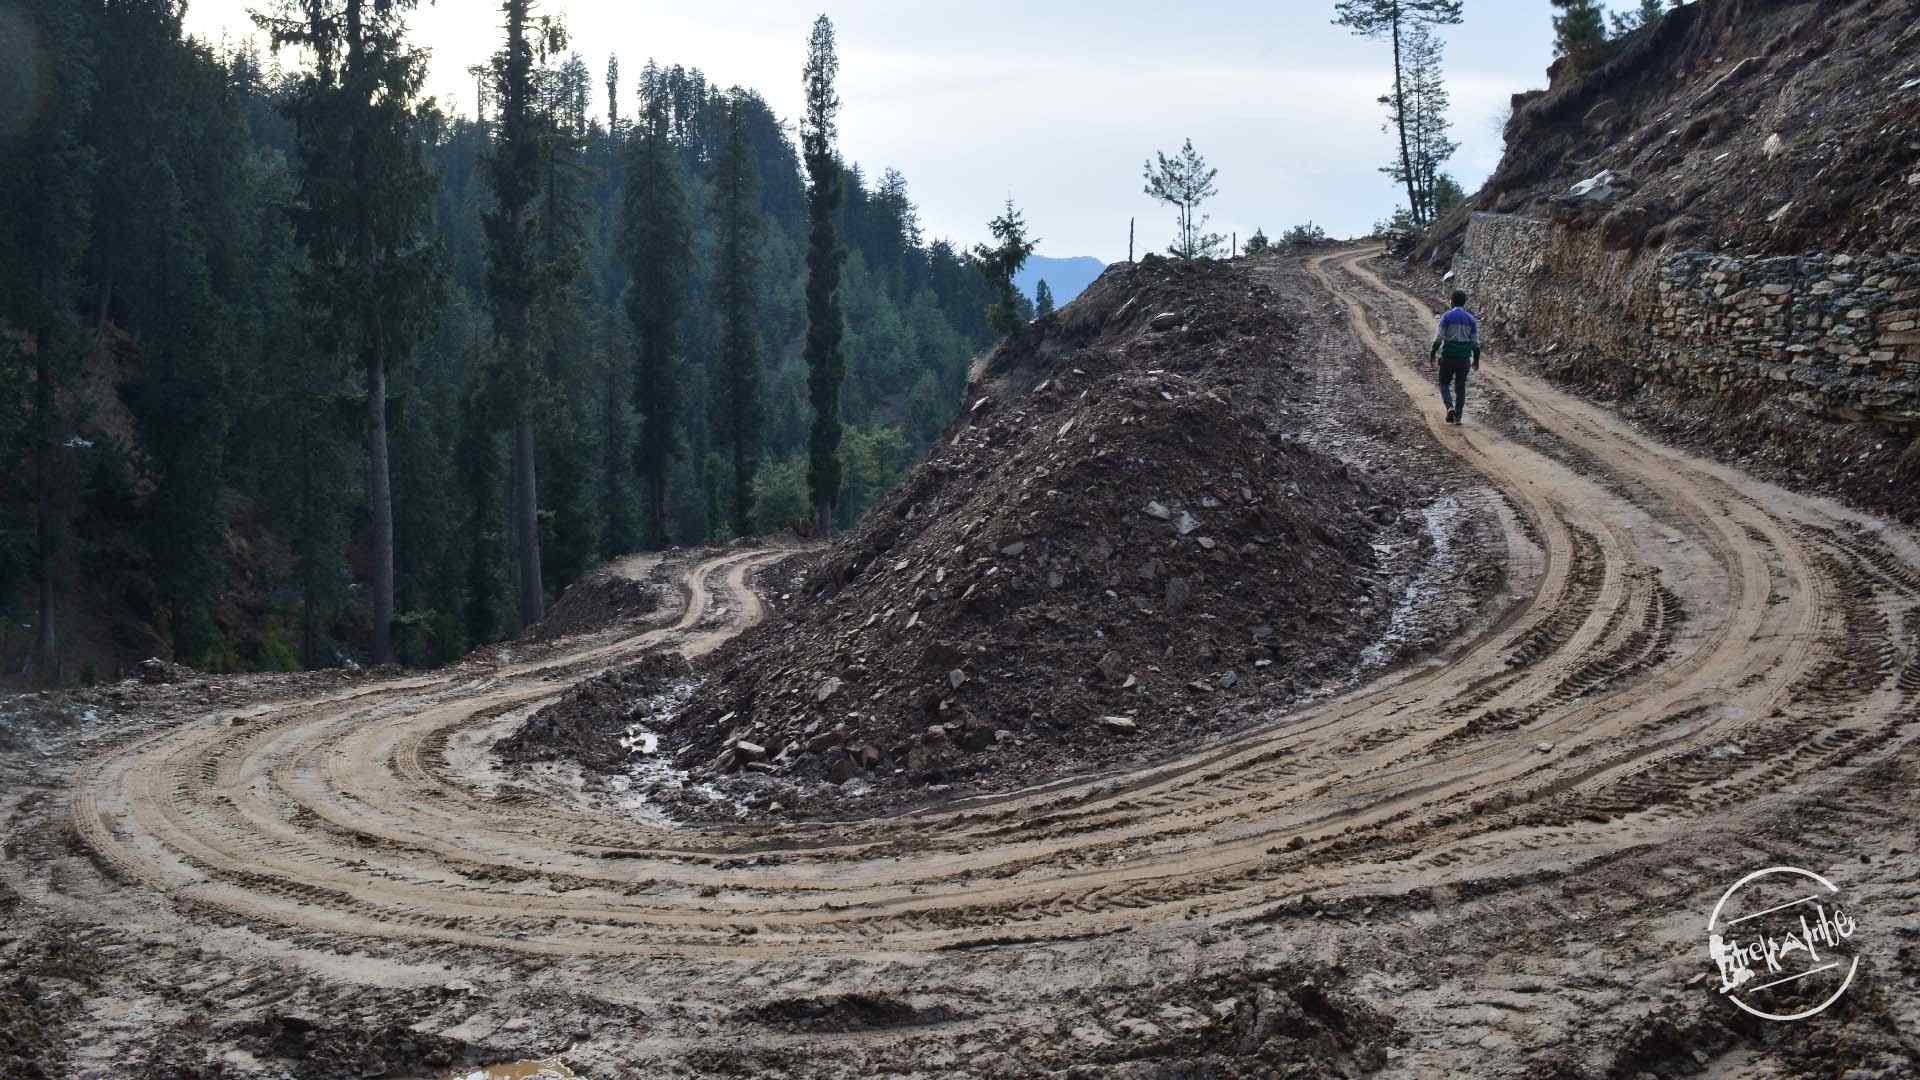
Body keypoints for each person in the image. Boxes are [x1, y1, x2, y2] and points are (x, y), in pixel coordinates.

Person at [1429, 289, 1482, 425]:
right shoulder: (1471, 320)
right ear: (1465, 302)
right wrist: (1476, 361)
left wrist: (1433, 353)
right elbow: (1475, 344)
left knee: (1444, 383)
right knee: (1460, 387)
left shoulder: (1446, 317)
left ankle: (1450, 407)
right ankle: (1458, 417)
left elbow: (1438, 338)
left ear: (1451, 301)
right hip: (1464, 359)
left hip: (1448, 357)